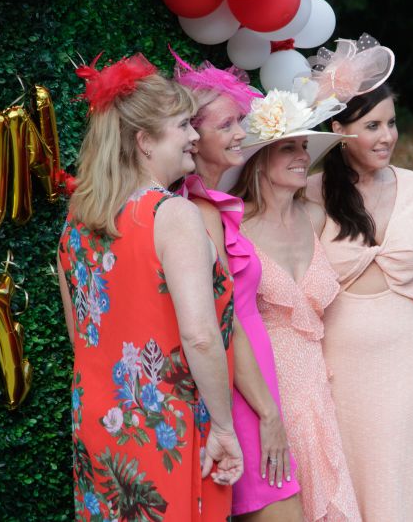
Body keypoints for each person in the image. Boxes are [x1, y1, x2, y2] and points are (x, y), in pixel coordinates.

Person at [56, 53, 243, 521]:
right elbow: (200, 336)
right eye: (183, 126)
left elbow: (81, 335)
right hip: (166, 425)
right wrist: (224, 427)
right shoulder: (172, 215)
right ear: (144, 141)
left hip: (101, 421)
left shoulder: (78, 219)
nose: (194, 136)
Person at [305, 37, 413, 521]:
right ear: (338, 130)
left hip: (408, 366)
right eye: (371, 126)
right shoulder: (309, 195)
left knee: (401, 491)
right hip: (339, 372)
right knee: (350, 492)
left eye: (391, 123)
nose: (386, 137)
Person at [170, 49, 304, 520]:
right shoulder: (197, 213)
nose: (240, 133)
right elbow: (224, 320)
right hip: (242, 392)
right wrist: (266, 413)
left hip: (255, 383)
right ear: (194, 136)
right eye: (226, 125)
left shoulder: (213, 200)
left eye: (240, 122)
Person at [229, 87, 362, 522]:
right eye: (289, 147)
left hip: (318, 386)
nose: (303, 156)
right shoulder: (235, 226)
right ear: (259, 159)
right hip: (268, 387)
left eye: (304, 147)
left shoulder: (317, 218)